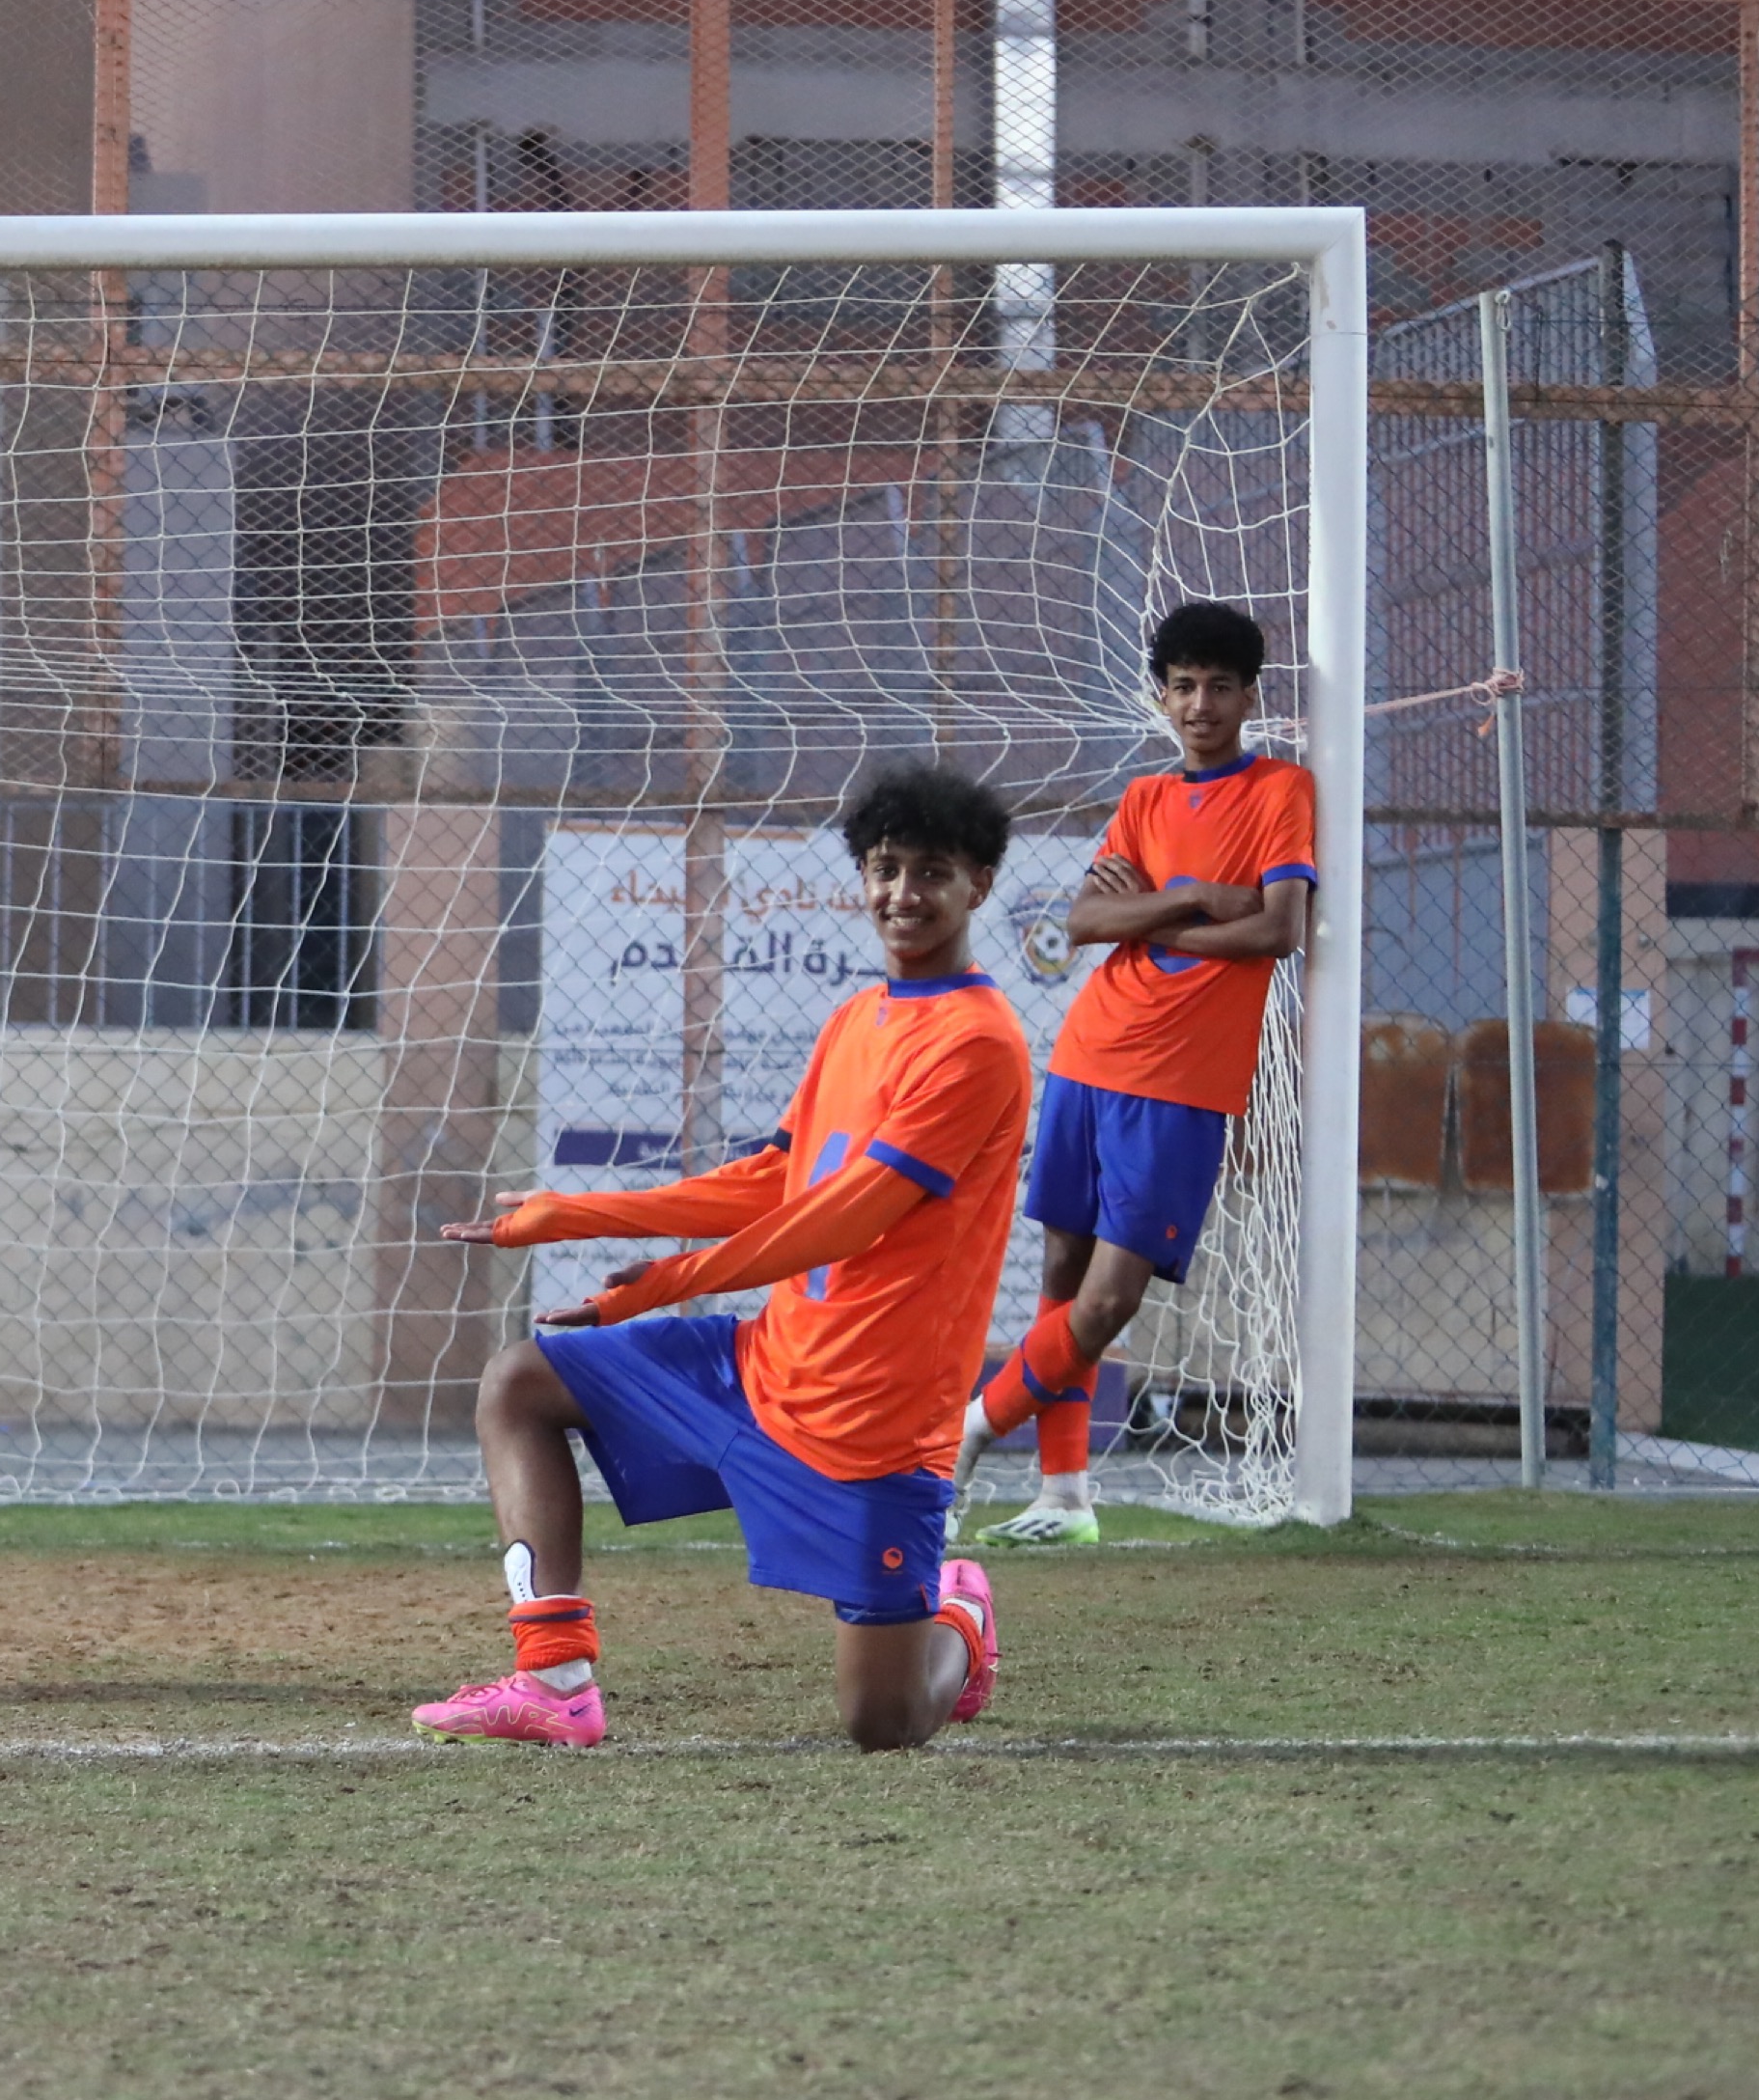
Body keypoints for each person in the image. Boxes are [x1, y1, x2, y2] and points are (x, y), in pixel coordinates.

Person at [417, 761, 1032, 1753]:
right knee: (520, 1383)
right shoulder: (856, 1019)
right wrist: (571, 1212)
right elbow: (774, 1179)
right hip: (762, 1365)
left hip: (873, 1428)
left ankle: (960, 1614)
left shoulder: (977, 1042)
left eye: (932, 872)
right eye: (884, 868)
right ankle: (555, 1680)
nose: (902, 894)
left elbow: (850, 1217)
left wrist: (666, 1282)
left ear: (980, 884)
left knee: (885, 1724)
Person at [957, 600, 1315, 1544]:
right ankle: (1064, 1495)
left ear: (1249, 696)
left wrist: (1148, 911)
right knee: (1065, 1272)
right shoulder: (1145, 800)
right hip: (1091, 1051)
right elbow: (1081, 922)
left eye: (1220, 686)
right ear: (1162, 696)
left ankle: (968, 1427)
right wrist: (1192, 896)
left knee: (1113, 1297)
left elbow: (1282, 927)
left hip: (1185, 1080)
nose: (1201, 702)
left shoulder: (1281, 790)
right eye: (1184, 685)